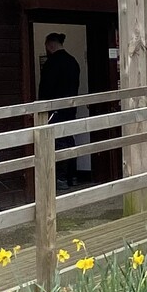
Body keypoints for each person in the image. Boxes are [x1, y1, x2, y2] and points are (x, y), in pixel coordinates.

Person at [37, 32, 81, 190]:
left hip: (55, 109)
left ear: (50, 45)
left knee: (58, 142)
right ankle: (73, 176)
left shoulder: (51, 63)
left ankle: (60, 178)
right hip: (70, 107)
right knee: (70, 139)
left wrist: (41, 107)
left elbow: (45, 89)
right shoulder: (73, 62)